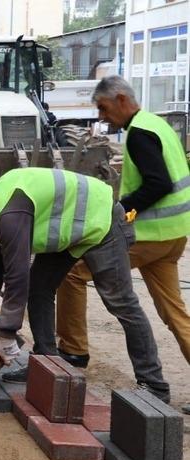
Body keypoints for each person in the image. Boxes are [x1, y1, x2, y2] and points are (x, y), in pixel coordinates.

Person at [0, 167, 171, 402]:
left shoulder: (7, 215)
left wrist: (6, 332)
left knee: (121, 302)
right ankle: (47, 364)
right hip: (68, 228)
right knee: (40, 289)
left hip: (103, 220)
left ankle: (154, 384)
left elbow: (17, 275)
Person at [55, 76, 189, 412]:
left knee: (73, 272)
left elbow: (158, 183)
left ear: (121, 99)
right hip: (173, 235)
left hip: (149, 235)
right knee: (175, 313)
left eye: (103, 108)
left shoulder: (140, 134)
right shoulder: (156, 124)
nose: (101, 116)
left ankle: (73, 349)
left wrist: (121, 209)